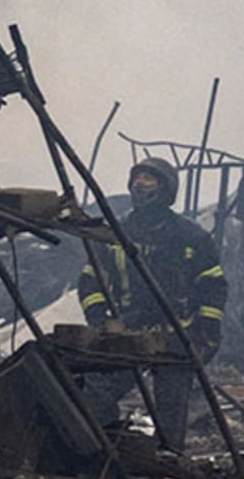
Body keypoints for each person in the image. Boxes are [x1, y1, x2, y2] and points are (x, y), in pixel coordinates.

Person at [77, 157, 226, 447]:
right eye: (137, 177)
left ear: (166, 188)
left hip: (175, 338)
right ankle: (104, 451)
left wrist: (206, 333)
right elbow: (89, 281)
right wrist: (99, 321)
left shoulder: (191, 237)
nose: (139, 184)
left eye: (148, 178)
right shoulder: (115, 233)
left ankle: (168, 463)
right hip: (127, 336)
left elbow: (213, 288)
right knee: (95, 396)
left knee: (171, 413)